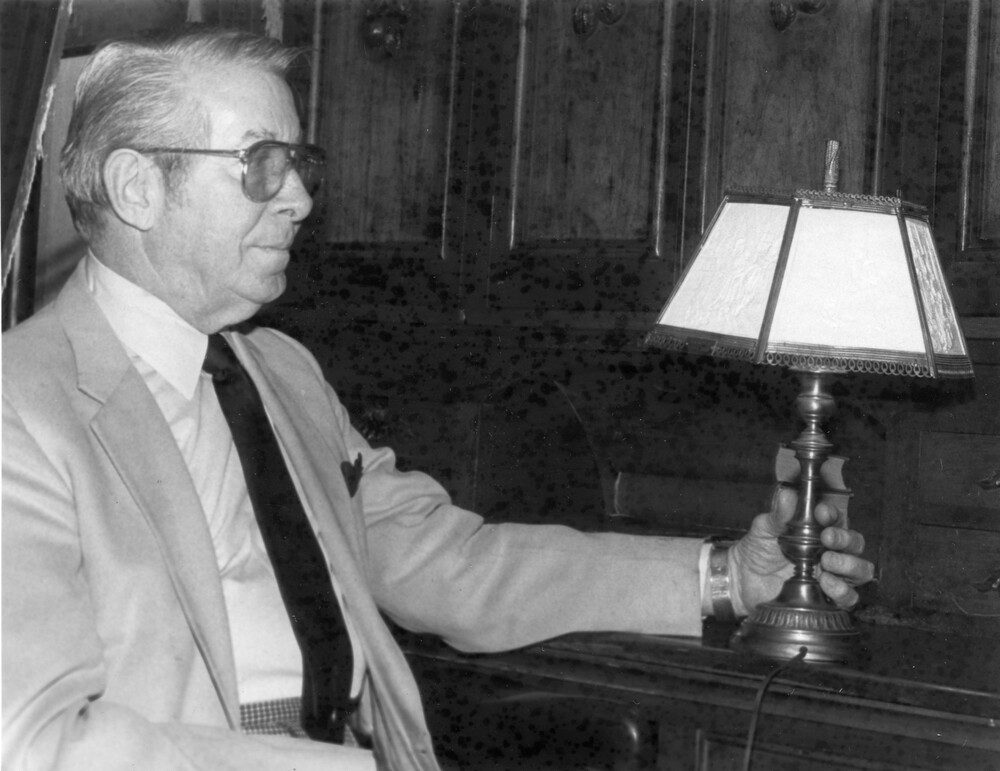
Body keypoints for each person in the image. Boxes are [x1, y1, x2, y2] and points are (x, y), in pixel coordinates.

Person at [1, 26, 874, 771]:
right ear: (137, 189)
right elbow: (36, 742)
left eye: (301, 163)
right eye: (261, 165)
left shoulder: (279, 374)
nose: (300, 198)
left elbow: (450, 562)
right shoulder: (20, 405)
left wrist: (725, 575)